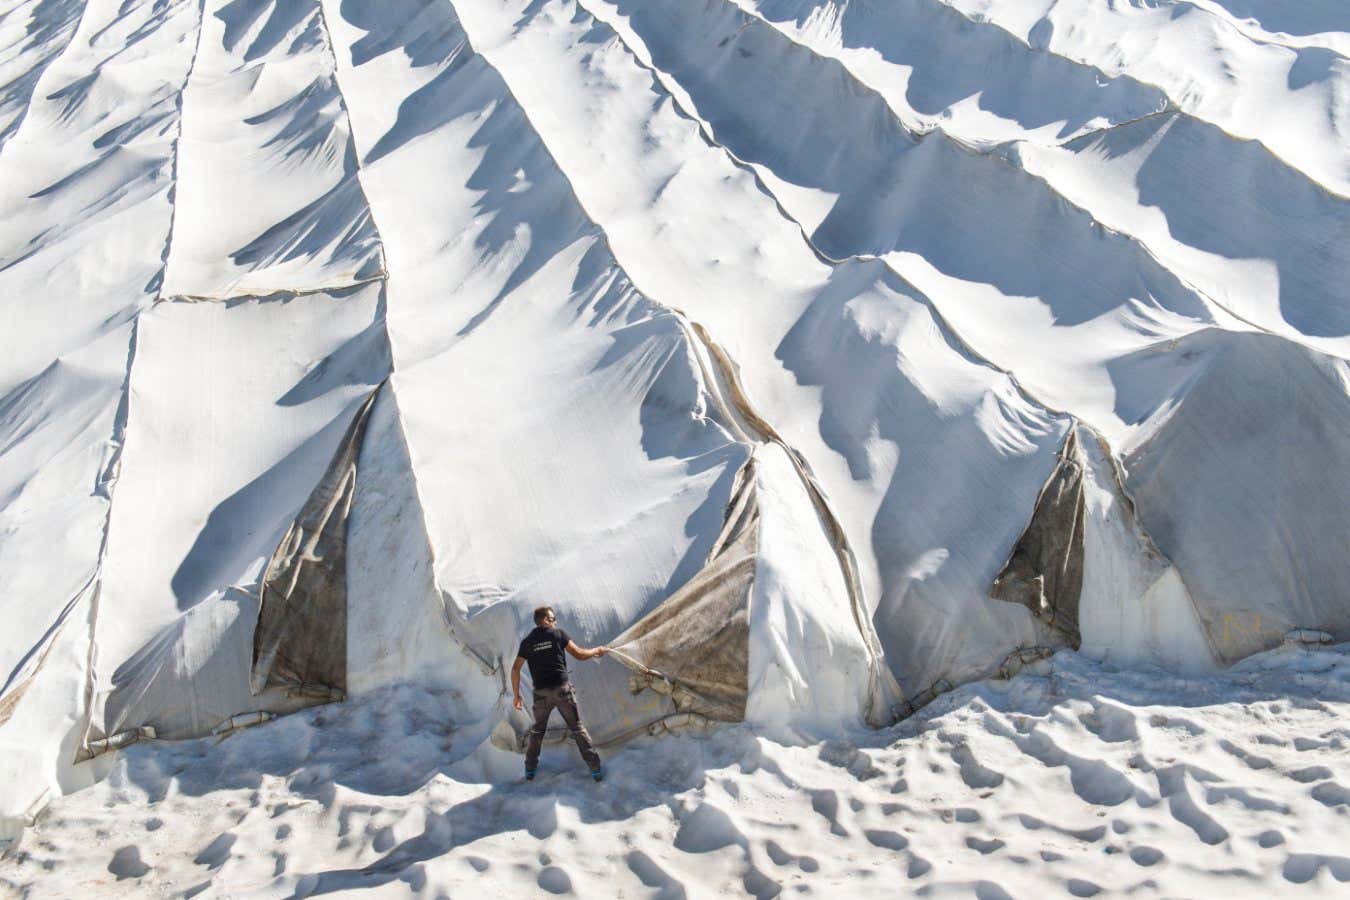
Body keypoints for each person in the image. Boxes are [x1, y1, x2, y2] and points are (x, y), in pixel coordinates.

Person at [512, 606, 609, 781]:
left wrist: (516, 695)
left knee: (538, 731)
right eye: (553, 618)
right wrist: (597, 651)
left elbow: (515, 668)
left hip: (541, 694)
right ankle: (595, 769)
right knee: (577, 728)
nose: (555, 621)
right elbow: (579, 654)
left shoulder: (527, 642)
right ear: (546, 620)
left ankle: (530, 770)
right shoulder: (558, 634)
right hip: (562, 690)